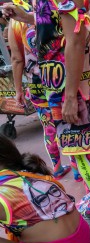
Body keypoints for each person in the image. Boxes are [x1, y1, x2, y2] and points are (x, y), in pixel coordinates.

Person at [3, 0, 90, 218]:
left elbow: (75, 39)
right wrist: (26, 17)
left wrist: (71, 97)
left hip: (66, 86)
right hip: (56, 83)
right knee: (82, 148)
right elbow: (55, 24)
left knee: (78, 151)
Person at [7, 18, 73, 181]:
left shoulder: (15, 23)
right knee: (68, 122)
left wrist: (18, 90)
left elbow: (17, 59)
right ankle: (78, 167)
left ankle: (56, 168)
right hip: (59, 79)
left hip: (36, 85)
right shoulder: (48, 7)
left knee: (48, 125)